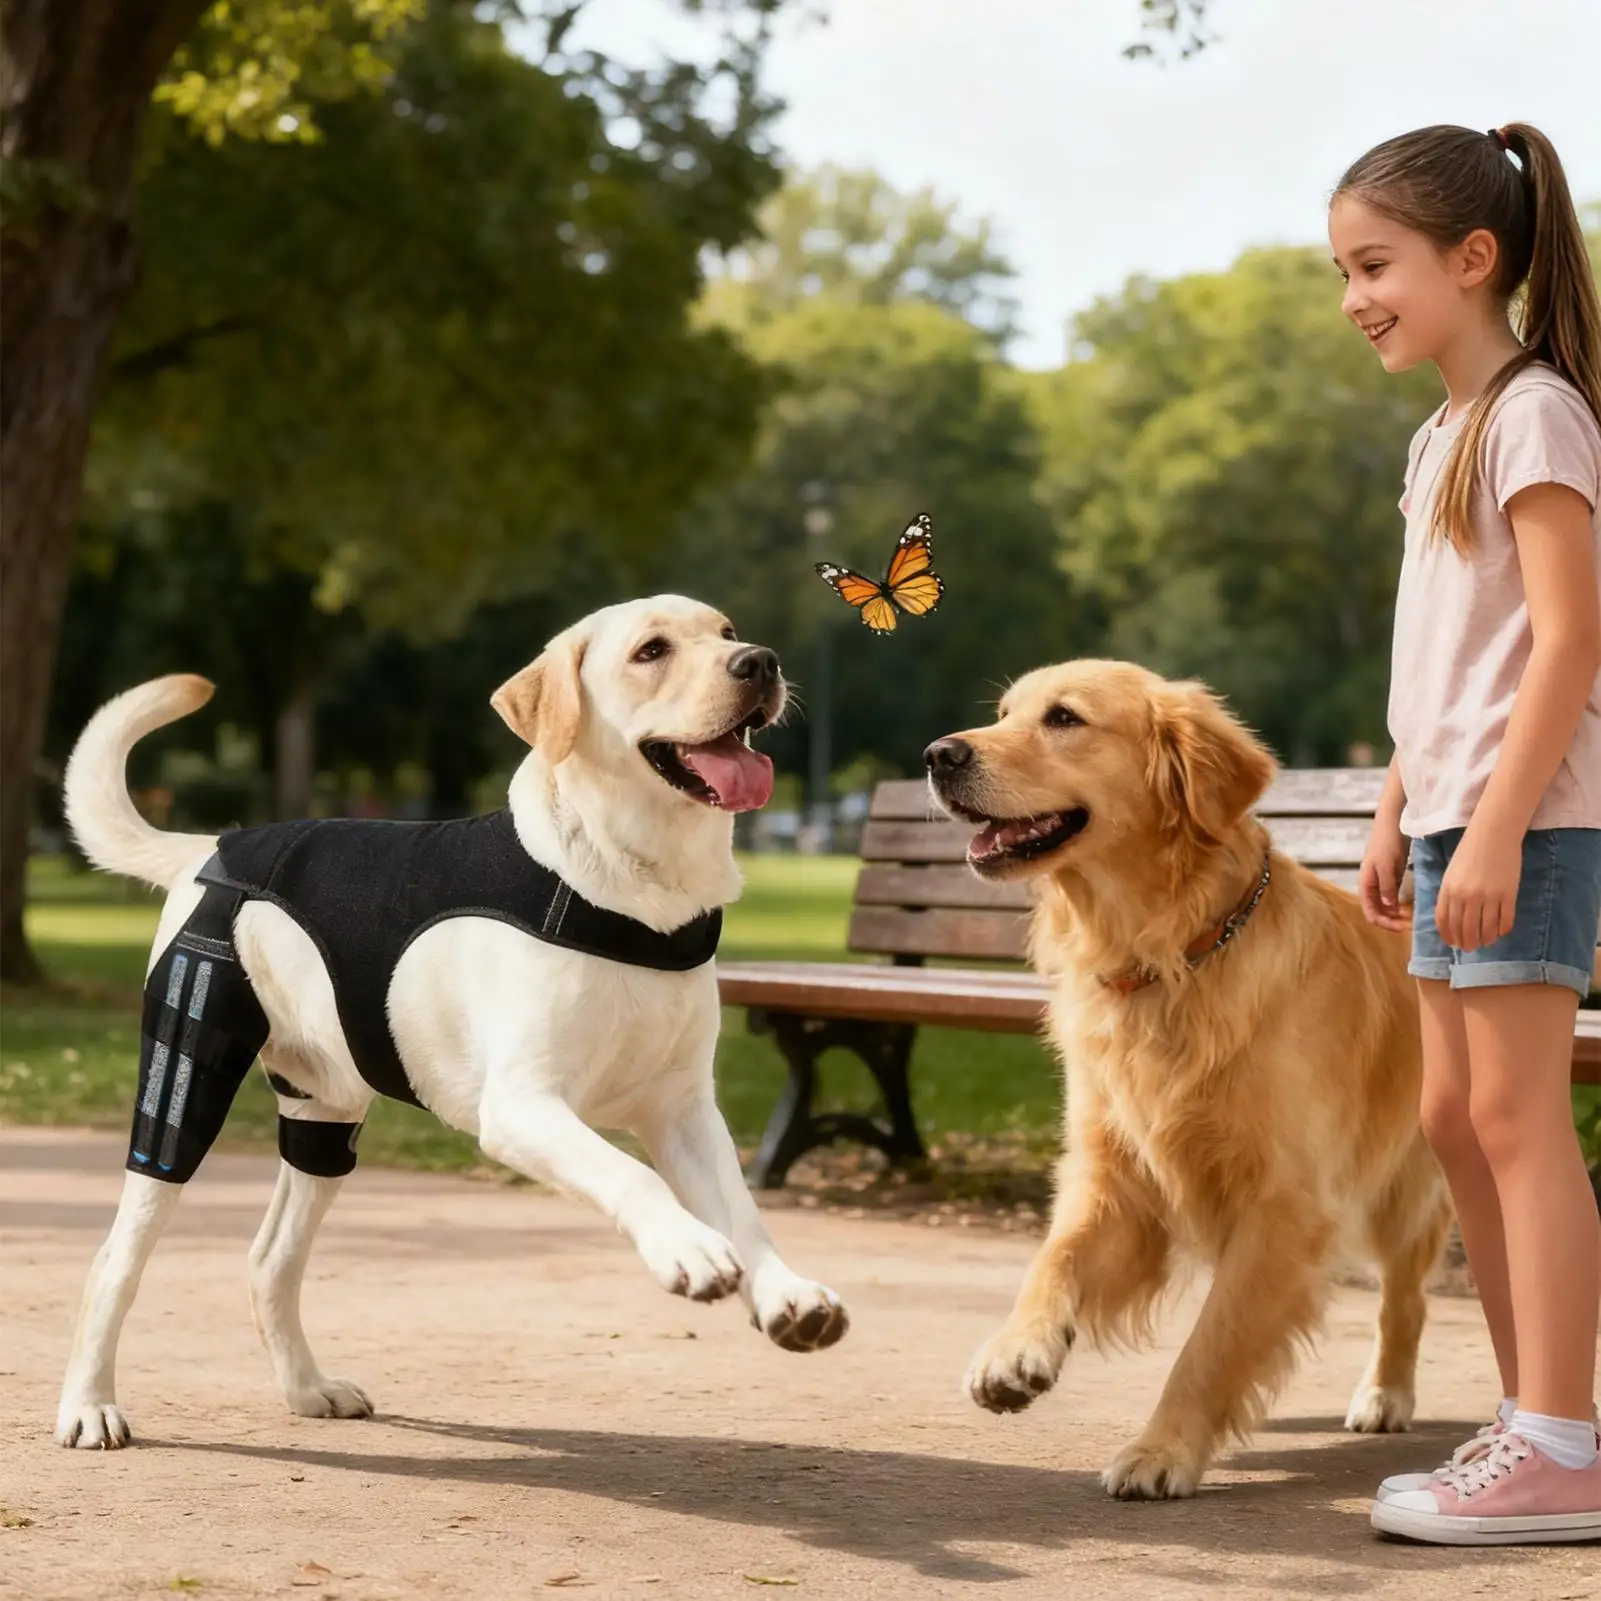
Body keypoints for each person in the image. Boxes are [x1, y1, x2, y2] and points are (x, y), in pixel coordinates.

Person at [1333, 122, 1601, 1545]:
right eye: (1344, 271)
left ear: (1473, 258)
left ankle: (1564, 1439)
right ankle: (1531, 1422)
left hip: (1532, 822)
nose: (1355, 296)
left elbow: (1568, 643)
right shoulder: (1444, 428)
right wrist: (1396, 805)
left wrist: (1492, 830)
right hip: (1450, 818)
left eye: (1375, 265)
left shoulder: (1538, 413)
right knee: (1451, 1119)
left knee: (1513, 1117)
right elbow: (1442, 653)